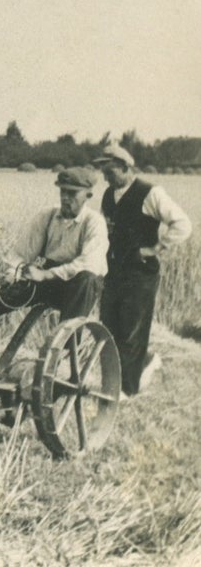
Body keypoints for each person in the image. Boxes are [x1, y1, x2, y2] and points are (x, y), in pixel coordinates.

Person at [0, 167, 108, 364]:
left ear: (88, 195)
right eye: (63, 191)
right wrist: (13, 272)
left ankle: (65, 357)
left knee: (86, 279)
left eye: (72, 193)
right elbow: (20, 254)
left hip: (79, 285)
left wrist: (46, 275)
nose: (65, 198)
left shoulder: (94, 222)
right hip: (47, 283)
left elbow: (89, 263)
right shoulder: (47, 216)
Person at [94, 143, 192, 396]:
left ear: (125, 167)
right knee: (109, 327)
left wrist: (155, 248)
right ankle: (127, 374)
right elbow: (104, 231)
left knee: (131, 331)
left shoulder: (150, 193)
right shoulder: (108, 196)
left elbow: (182, 224)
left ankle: (126, 391)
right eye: (103, 172)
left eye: (110, 172)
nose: (105, 177)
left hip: (140, 273)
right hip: (114, 272)